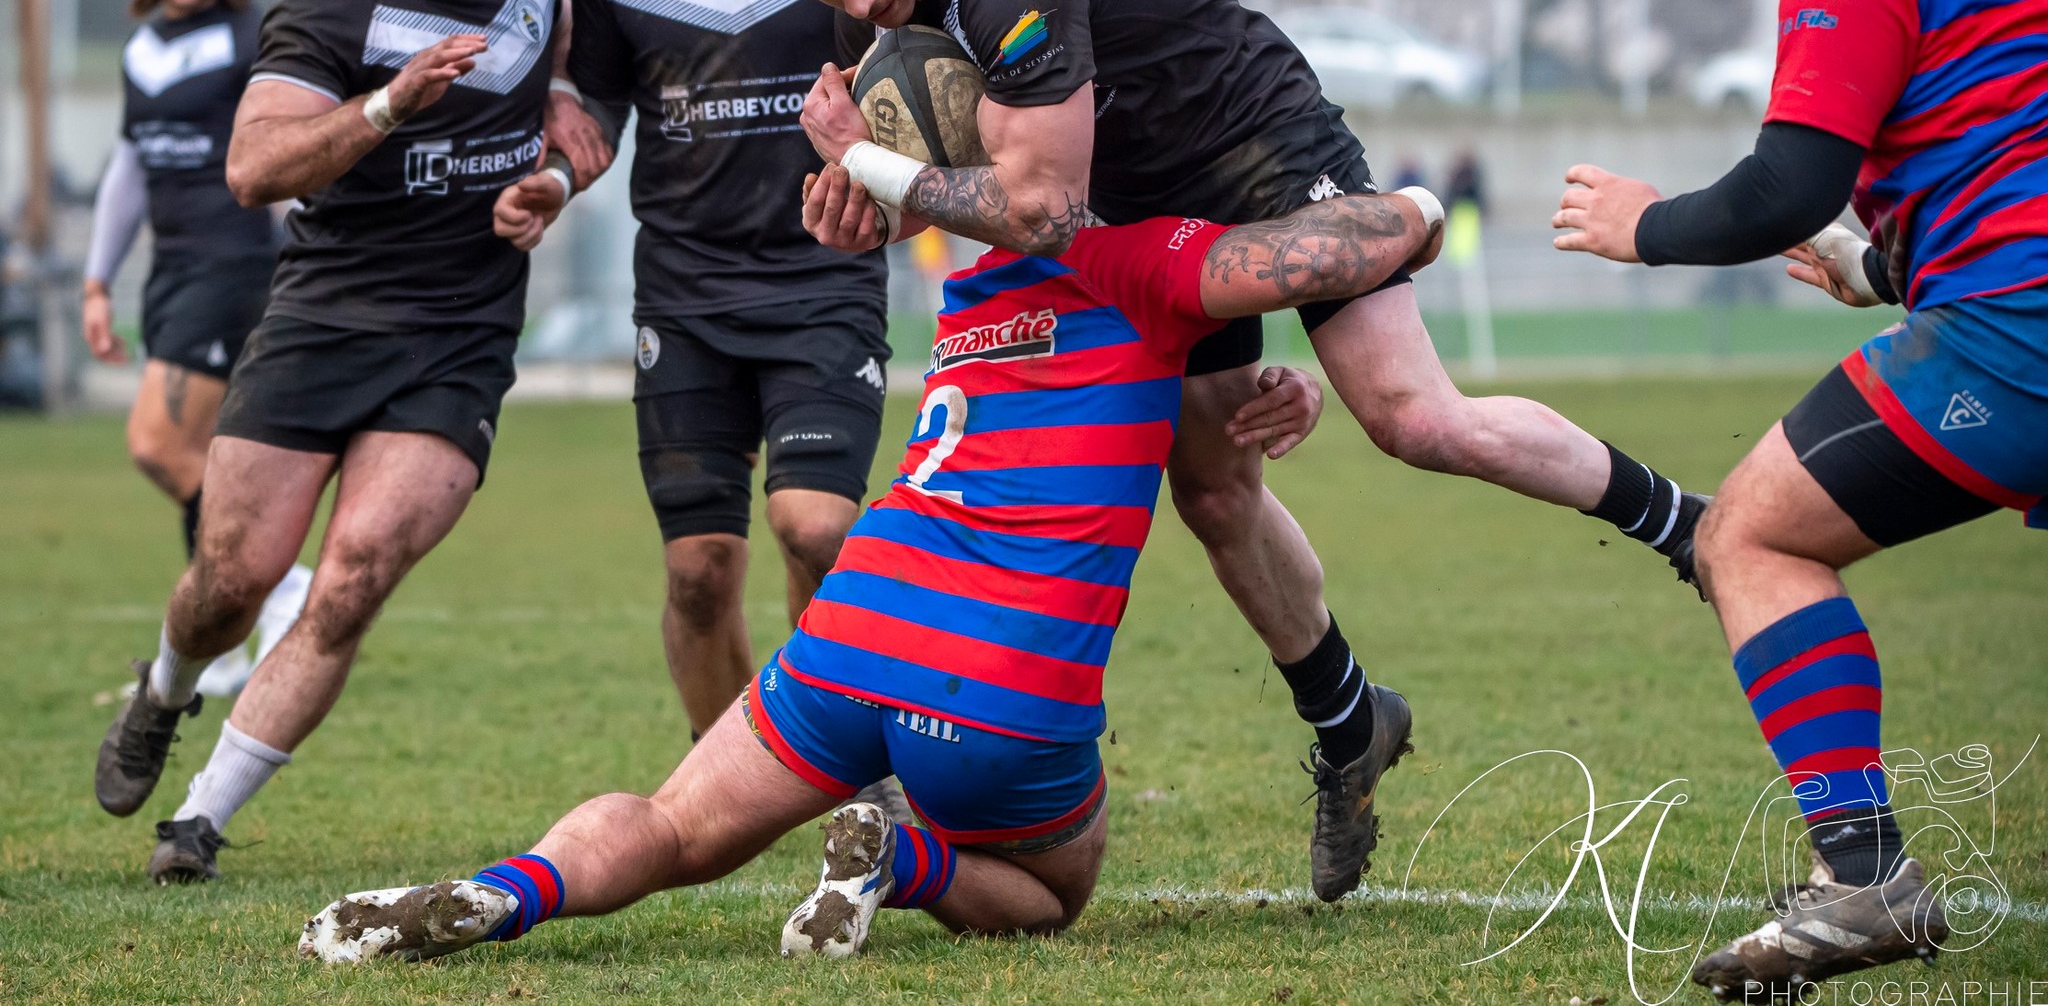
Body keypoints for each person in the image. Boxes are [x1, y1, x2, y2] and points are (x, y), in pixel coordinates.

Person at [713, 0, 1709, 900]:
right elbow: (959, 189)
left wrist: (877, 167)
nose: (858, 2)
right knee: (1216, 488)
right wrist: (857, 201)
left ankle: (1685, 526)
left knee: (1411, 415)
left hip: (1252, 148)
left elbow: (1037, 206)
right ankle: (1349, 724)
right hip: (1134, 202)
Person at [298, 172, 1444, 966]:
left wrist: (1250, 390)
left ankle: (510, 889)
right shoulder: (1150, 259)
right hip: (995, 678)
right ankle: (905, 855)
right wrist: (1422, 207)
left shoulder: (975, 278)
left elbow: (1118, 383)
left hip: (856, 625)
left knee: (672, 827)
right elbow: (1352, 242)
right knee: (1053, 894)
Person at [1549, 0, 2031, 995]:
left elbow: (1787, 184)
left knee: (1747, 532)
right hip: (2000, 301)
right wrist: (1883, 264)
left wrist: (1645, 223)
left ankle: (1865, 874)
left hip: (2017, 339)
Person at [93, 0, 581, 886]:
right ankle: (164, 689)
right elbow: (252, 169)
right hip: (324, 314)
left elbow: (555, 58)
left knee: (353, 576)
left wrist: (552, 153)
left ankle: (201, 818)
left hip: (459, 332)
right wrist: (385, 107)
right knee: (233, 574)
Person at [548, 0, 896, 749]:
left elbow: (899, 60)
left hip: (819, 273)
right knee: (700, 572)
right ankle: (729, 793)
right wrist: (556, 166)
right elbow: (595, 106)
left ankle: (833, 766)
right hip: (685, 292)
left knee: (817, 527)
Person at [83, 0, 308, 696]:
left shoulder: (256, 36)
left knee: (158, 444)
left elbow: (294, 145)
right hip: (173, 269)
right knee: (211, 458)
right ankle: (230, 648)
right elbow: (131, 169)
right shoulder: (140, 49)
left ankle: (283, 586)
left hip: (236, 262)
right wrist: (97, 280)